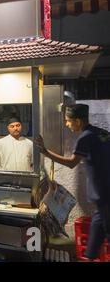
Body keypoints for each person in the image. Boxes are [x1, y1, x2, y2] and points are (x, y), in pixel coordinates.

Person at [35, 104, 110, 261]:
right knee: (98, 222)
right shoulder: (102, 133)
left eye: (68, 121)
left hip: (104, 191)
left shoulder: (85, 138)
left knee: (105, 224)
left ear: (78, 121)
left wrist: (45, 152)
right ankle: (90, 257)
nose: (67, 124)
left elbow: (71, 163)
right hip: (104, 190)